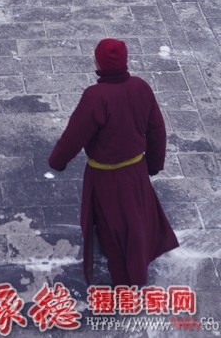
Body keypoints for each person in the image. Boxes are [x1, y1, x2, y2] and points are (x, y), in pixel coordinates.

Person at [48, 38, 179, 286]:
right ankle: (136, 267)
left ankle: (127, 286)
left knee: (112, 230)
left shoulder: (96, 96)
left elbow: (74, 135)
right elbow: (157, 130)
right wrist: (153, 165)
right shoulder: (141, 88)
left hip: (106, 178)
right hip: (136, 172)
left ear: (99, 63)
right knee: (135, 223)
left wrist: (57, 161)